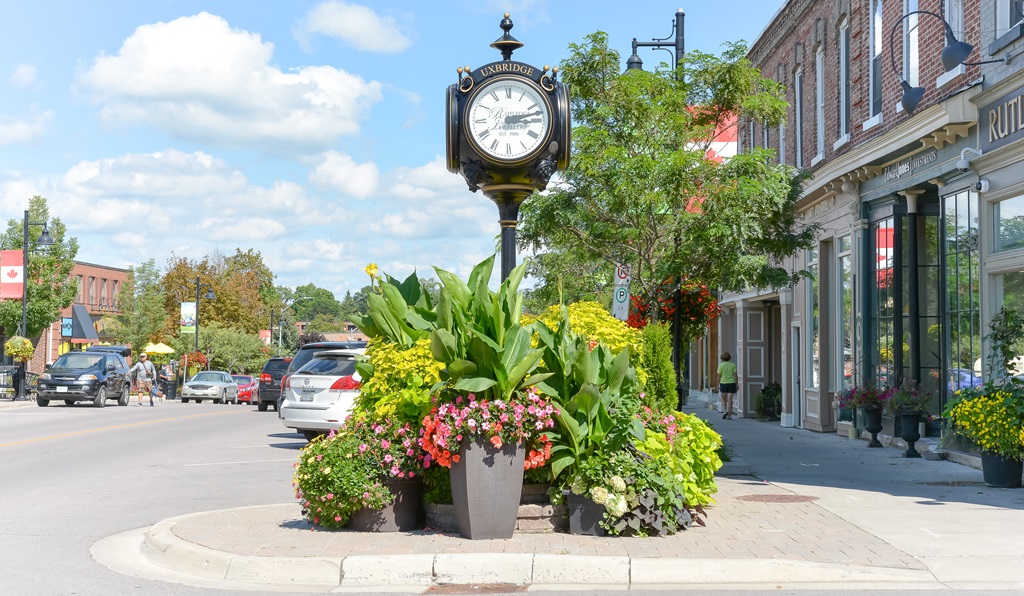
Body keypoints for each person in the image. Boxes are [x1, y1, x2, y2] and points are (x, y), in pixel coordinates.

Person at [718, 352, 738, 420]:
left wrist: (717, 384)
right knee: (730, 400)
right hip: (731, 383)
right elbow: (735, 375)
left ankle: (725, 411)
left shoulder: (721, 365)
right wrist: (736, 384)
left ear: (722, 358)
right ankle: (729, 416)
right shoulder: (732, 365)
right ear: (729, 358)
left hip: (723, 383)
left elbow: (719, 375)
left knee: (723, 398)